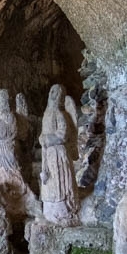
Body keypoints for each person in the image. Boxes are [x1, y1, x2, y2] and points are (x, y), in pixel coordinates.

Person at [40, 84, 78, 225]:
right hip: (48, 153)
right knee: (48, 181)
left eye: (56, 91)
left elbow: (63, 135)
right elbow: (43, 133)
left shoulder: (60, 114)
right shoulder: (47, 114)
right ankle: (50, 209)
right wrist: (42, 139)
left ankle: (63, 208)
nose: (52, 93)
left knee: (58, 181)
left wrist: (47, 139)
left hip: (57, 153)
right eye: (51, 90)